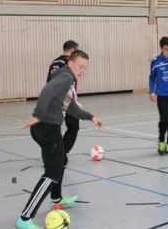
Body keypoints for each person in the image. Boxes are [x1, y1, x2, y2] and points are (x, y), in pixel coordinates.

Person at [16, 50, 104, 229]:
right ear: (70, 63)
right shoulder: (66, 78)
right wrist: (38, 114)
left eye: (85, 68)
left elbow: (70, 106)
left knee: (59, 161)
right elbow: (47, 91)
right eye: (80, 66)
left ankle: (56, 199)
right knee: (52, 173)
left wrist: (90, 116)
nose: (82, 70)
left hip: (43, 128)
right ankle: (25, 218)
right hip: (48, 127)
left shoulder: (62, 77)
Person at [47, 40, 80, 165]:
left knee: (57, 128)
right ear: (72, 50)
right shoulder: (69, 62)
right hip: (65, 98)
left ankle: (58, 154)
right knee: (73, 126)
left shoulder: (54, 62)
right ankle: (61, 154)